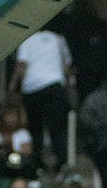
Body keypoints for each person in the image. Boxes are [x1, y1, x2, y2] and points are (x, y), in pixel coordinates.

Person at [8, 27, 72, 172]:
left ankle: (37, 163)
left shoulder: (27, 39)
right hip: (55, 87)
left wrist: (12, 87)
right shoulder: (58, 39)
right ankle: (62, 162)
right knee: (57, 127)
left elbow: (21, 66)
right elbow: (66, 65)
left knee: (36, 129)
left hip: (33, 88)